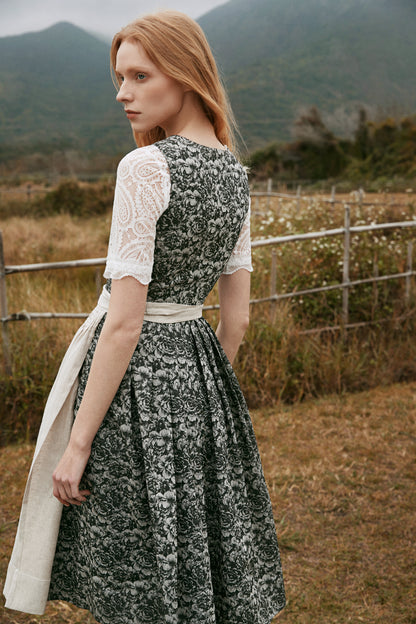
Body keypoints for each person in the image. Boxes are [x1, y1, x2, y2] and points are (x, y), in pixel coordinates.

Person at [4, 10, 285, 624]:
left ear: (184, 74)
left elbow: (126, 322)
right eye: (119, 76)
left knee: (134, 569)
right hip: (203, 376)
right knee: (192, 556)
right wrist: (204, 393)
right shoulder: (235, 175)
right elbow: (235, 320)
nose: (122, 93)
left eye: (138, 75)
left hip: (135, 380)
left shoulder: (145, 167)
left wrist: (76, 447)